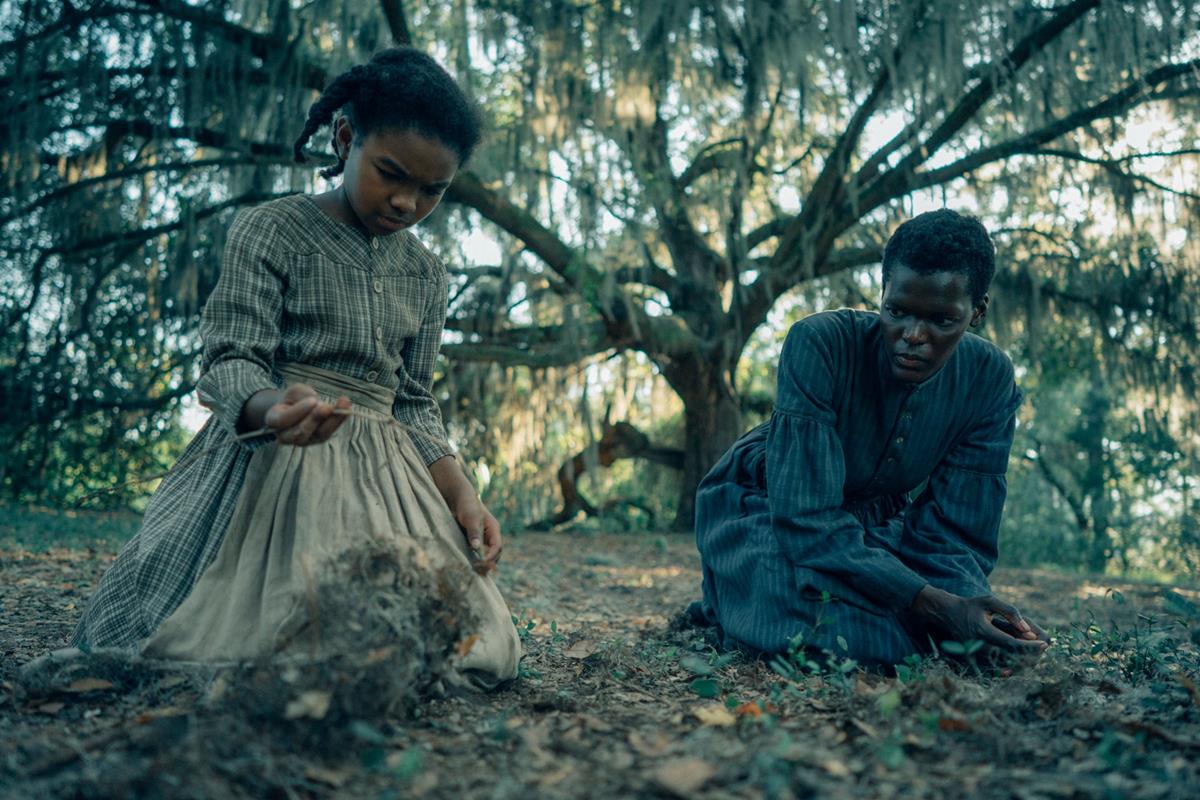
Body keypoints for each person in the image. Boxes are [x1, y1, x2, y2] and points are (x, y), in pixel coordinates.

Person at [71, 48, 520, 686]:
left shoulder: (426, 272)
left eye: (433, 190)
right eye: (390, 173)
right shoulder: (274, 230)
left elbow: (414, 402)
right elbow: (231, 356)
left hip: (387, 481)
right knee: (248, 633)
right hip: (274, 457)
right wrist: (269, 407)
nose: (406, 201)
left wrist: (463, 496)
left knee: (469, 645)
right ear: (345, 139)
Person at [690, 209, 1049, 667]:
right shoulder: (818, 343)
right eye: (896, 312)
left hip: (874, 525)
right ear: (881, 294)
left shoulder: (989, 379)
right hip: (771, 506)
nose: (912, 336)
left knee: (978, 643)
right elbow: (805, 520)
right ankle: (730, 596)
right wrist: (932, 604)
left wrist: (963, 605)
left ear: (976, 312)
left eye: (942, 321)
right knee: (822, 633)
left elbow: (956, 535)